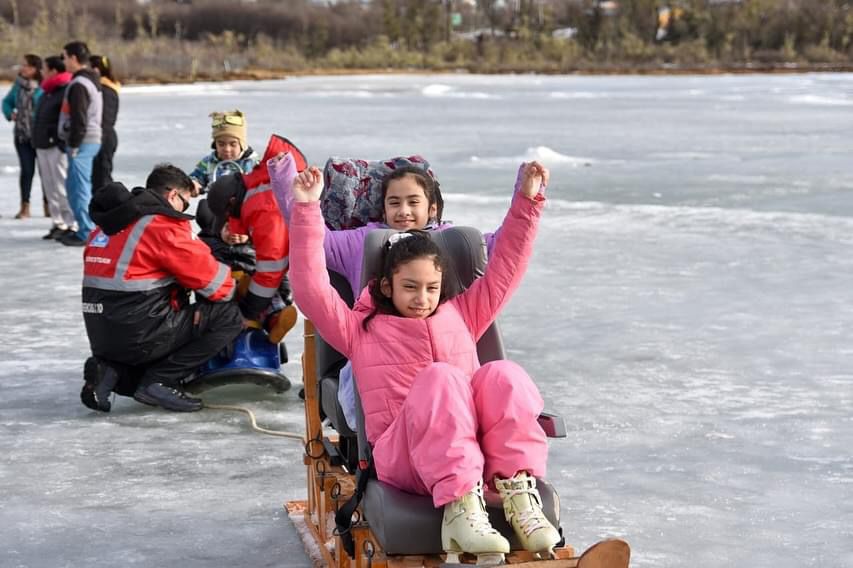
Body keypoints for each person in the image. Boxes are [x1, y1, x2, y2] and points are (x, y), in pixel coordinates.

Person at [286, 158, 561, 563]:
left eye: (432, 287)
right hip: (405, 457)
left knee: (503, 374)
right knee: (442, 379)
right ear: (386, 285)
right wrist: (306, 209)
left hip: (475, 454)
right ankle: (460, 508)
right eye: (410, 287)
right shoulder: (360, 328)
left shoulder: (463, 314)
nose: (422, 297)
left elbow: (508, 266)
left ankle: (518, 493)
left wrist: (528, 199)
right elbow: (310, 286)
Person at [80, 164, 242, 413]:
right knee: (228, 317)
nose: (184, 210)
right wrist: (236, 284)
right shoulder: (162, 225)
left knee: (134, 380)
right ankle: (161, 381)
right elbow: (217, 286)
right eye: (185, 203)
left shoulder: (108, 224)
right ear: (172, 196)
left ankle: (109, 371)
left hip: (103, 335)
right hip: (138, 332)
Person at [205, 135, 300, 343]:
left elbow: (271, 270)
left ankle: (271, 317)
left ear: (232, 202)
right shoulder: (258, 185)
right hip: (300, 252)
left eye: (228, 215)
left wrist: (247, 313)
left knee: (261, 280)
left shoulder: (260, 207)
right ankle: (274, 316)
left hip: (324, 248)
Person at [57, 40, 102, 246]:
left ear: (74, 58)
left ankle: (86, 232)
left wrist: (74, 144)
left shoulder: (80, 85)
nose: (63, 61)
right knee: (75, 185)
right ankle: (83, 228)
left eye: (65, 57)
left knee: (79, 187)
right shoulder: (87, 80)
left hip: (83, 142)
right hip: (85, 140)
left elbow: (80, 119)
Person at [32, 55, 76, 240]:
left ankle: (71, 223)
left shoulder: (65, 90)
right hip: (42, 144)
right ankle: (57, 222)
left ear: (53, 71)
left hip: (56, 146)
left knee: (61, 186)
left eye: (44, 68)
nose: (41, 72)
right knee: (49, 187)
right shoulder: (47, 91)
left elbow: (67, 119)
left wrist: (59, 142)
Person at [2, 53, 43, 219]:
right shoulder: (18, 86)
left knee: (46, 173)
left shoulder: (44, 85)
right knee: (27, 171)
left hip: (41, 137)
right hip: (22, 136)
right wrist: (10, 113)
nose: (22, 68)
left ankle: (49, 205)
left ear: (35, 69)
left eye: (26, 65)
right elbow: (6, 102)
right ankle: (25, 206)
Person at [189, 110, 259, 195]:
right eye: (221, 144)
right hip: (216, 205)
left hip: (245, 205)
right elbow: (196, 177)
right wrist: (193, 184)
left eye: (233, 144)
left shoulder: (254, 163)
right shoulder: (208, 162)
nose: (227, 149)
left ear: (242, 144)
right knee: (203, 205)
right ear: (215, 144)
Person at [89, 54, 120, 194]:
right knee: (98, 177)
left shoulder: (105, 90)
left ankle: (106, 209)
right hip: (102, 136)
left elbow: (105, 119)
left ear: (96, 70)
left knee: (101, 178)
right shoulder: (104, 87)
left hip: (103, 137)